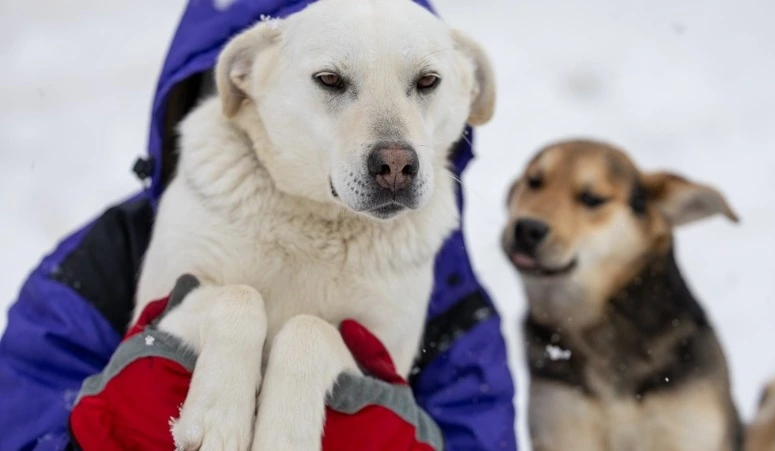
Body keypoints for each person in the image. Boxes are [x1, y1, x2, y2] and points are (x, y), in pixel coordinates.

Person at [0, 1, 517, 450]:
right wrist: (109, 437)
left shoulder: (453, 296)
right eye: (332, 81)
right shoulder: (99, 263)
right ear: (247, 76)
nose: (394, 154)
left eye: (425, 83)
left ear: (466, 87)